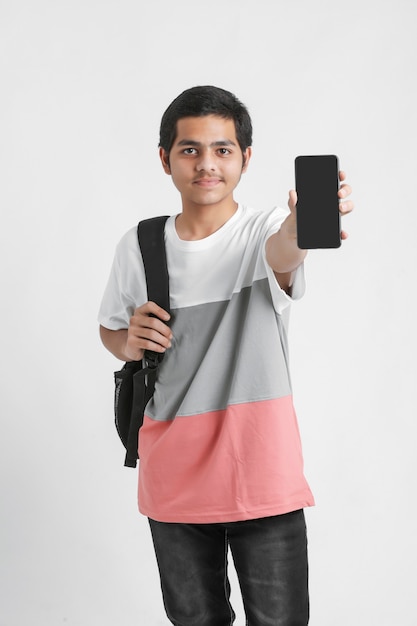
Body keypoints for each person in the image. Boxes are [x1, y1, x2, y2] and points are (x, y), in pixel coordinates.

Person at [98, 85, 354, 625]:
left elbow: (284, 249)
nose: (207, 164)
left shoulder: (260, 232)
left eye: (222, 149)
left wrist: (304, 223)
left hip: (260, 472)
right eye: (190, 149)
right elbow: (112, 330)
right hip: (172, 475)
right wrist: (129, 338)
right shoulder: (140, 244)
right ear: (165, 159)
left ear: (245, 158)